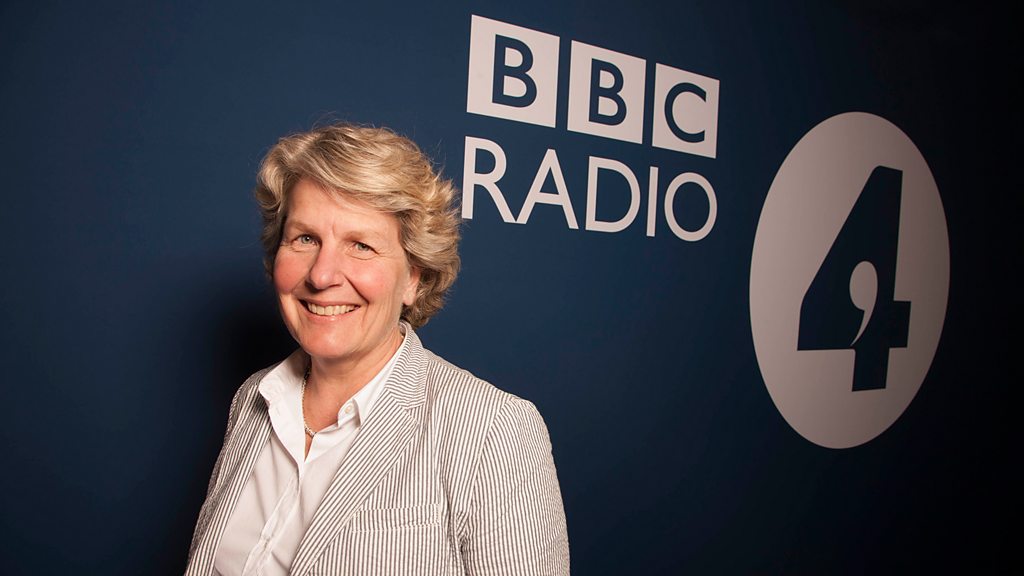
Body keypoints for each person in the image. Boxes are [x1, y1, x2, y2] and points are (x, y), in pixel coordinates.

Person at [185, 123, 570, 575]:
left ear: (414, 277)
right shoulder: (254, 398)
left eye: (361, 246)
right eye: (305, 238)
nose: (322, 275)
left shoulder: (492, 432)